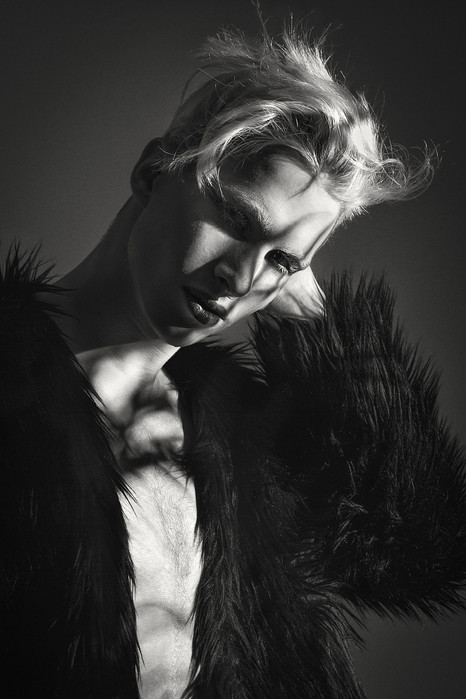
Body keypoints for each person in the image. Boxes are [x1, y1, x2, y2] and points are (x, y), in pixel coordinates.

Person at [1, 26, 465, 699]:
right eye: (238, 220)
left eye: (282, 259)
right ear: (154, 171)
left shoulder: (243, 434)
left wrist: (314, 317)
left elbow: (417, 554)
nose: (240, 278)